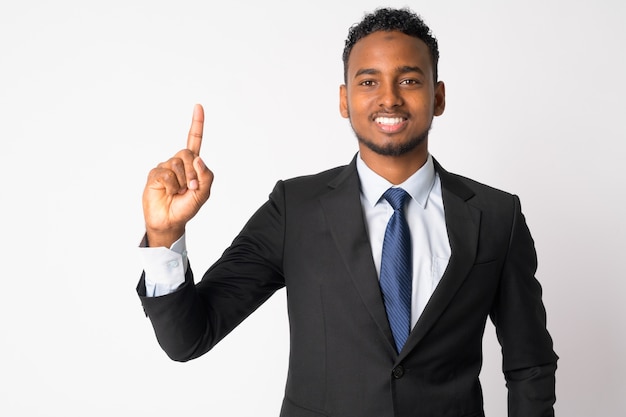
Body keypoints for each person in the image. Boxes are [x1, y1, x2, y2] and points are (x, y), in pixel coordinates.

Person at [137, 7, 557, 417]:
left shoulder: (497, 216)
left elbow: (530, 365)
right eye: (369, 81)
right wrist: (163, 234)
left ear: (439, 96)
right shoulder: (294, 210)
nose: (389, 98)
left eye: (409, 79)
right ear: (344, 100)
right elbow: (189, 337)